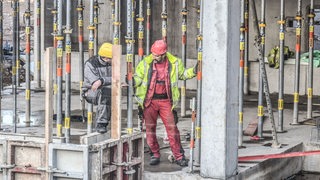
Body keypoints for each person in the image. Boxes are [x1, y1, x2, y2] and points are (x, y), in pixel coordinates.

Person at [133, 40, 197, 166]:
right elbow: (138, 78)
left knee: (172, 129)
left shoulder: (175, 63)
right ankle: (155, 154)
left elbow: (183, 74)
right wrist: (130, 80)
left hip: (166, 101)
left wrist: (194, 71)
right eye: (153, 54)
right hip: (149, 101)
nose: (154, 57)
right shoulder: (145, 63)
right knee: (150, 129)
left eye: (157, 55)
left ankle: (179, 156)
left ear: (164, 54)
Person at [83, 42, 112, 133]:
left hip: (107, 88)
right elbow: (95, 83)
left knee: (109, 93)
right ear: (105, 57)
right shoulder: (91, 64)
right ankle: (101, 123)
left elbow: (116, 77)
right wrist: (104, 81)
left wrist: (103, 80)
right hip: (90, 91)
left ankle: (108, 120)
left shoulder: (112, 62)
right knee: (106, 93)